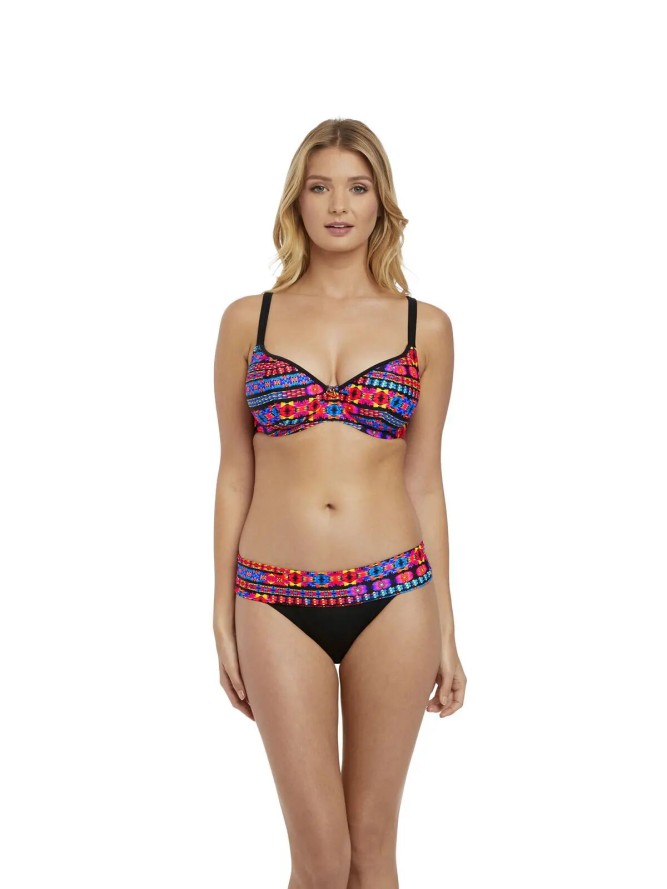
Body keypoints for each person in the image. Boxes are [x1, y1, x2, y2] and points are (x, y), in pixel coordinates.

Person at [212, 118, 466, 889]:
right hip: (272, 596)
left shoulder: (425, 326)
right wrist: (221, 614)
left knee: (372, 852)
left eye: (356, 187)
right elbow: (233, 472)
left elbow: (425, 480)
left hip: (395, 593)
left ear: (380, 202)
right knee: (321, 860)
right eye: (319, 186)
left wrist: (446, 630)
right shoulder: (247, 320)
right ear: (296, 199)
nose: (337, 205)